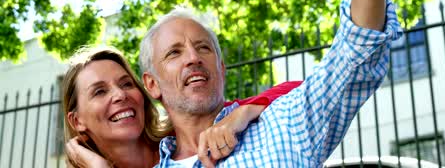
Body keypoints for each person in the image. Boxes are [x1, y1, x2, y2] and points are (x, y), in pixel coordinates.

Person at [139, 0, 418, 167]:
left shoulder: (286, 123)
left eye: (203, 48)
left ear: (222, 70)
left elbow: (349, 67)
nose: (193, 58)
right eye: (174, 52)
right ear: (151, 84)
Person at [63, 46, 301, 167]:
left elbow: (299, 89)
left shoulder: (184, 136)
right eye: (100, 91)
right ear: (77, 121)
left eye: (126, 84)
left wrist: (244, 112)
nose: (119, 95)